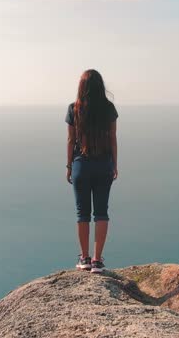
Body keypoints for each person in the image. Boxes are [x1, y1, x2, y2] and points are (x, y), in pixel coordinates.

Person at [65, 69, 118, 274]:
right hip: (104, 164)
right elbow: (113, 137)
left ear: (82, 87)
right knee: (102, 212)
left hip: (81, 165)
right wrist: (115, 164)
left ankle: (85, 258)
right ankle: (97, 261)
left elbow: (71, 140)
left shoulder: (74, 109)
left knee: (82, 213)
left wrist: (69, 166)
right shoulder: (109, 108)